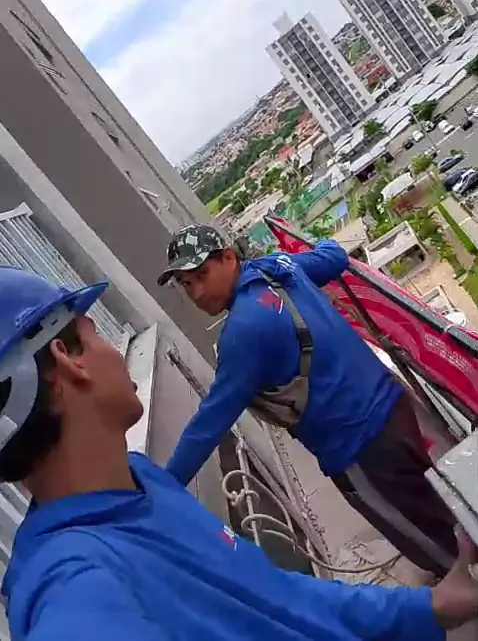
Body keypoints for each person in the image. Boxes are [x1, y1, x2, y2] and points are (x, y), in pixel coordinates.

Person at [0, 266, 478, 641]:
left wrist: (428, 608)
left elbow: (284, 597)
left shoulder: (140, 481)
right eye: (96, 331)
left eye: (197, 276)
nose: (193, 292)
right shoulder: (73, 580)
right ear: (68, 358)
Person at [159, 225, 458, 578]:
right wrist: (316, 242)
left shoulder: (243, 332)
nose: (197, 292)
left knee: (434, 543)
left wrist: (161, 486)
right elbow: (333, 257)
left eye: (201, 275)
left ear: (228, 257)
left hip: (361, 451)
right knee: (451, 506)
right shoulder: (279, 268)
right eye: (186, 283)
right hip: (396, 409)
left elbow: (209, 423)